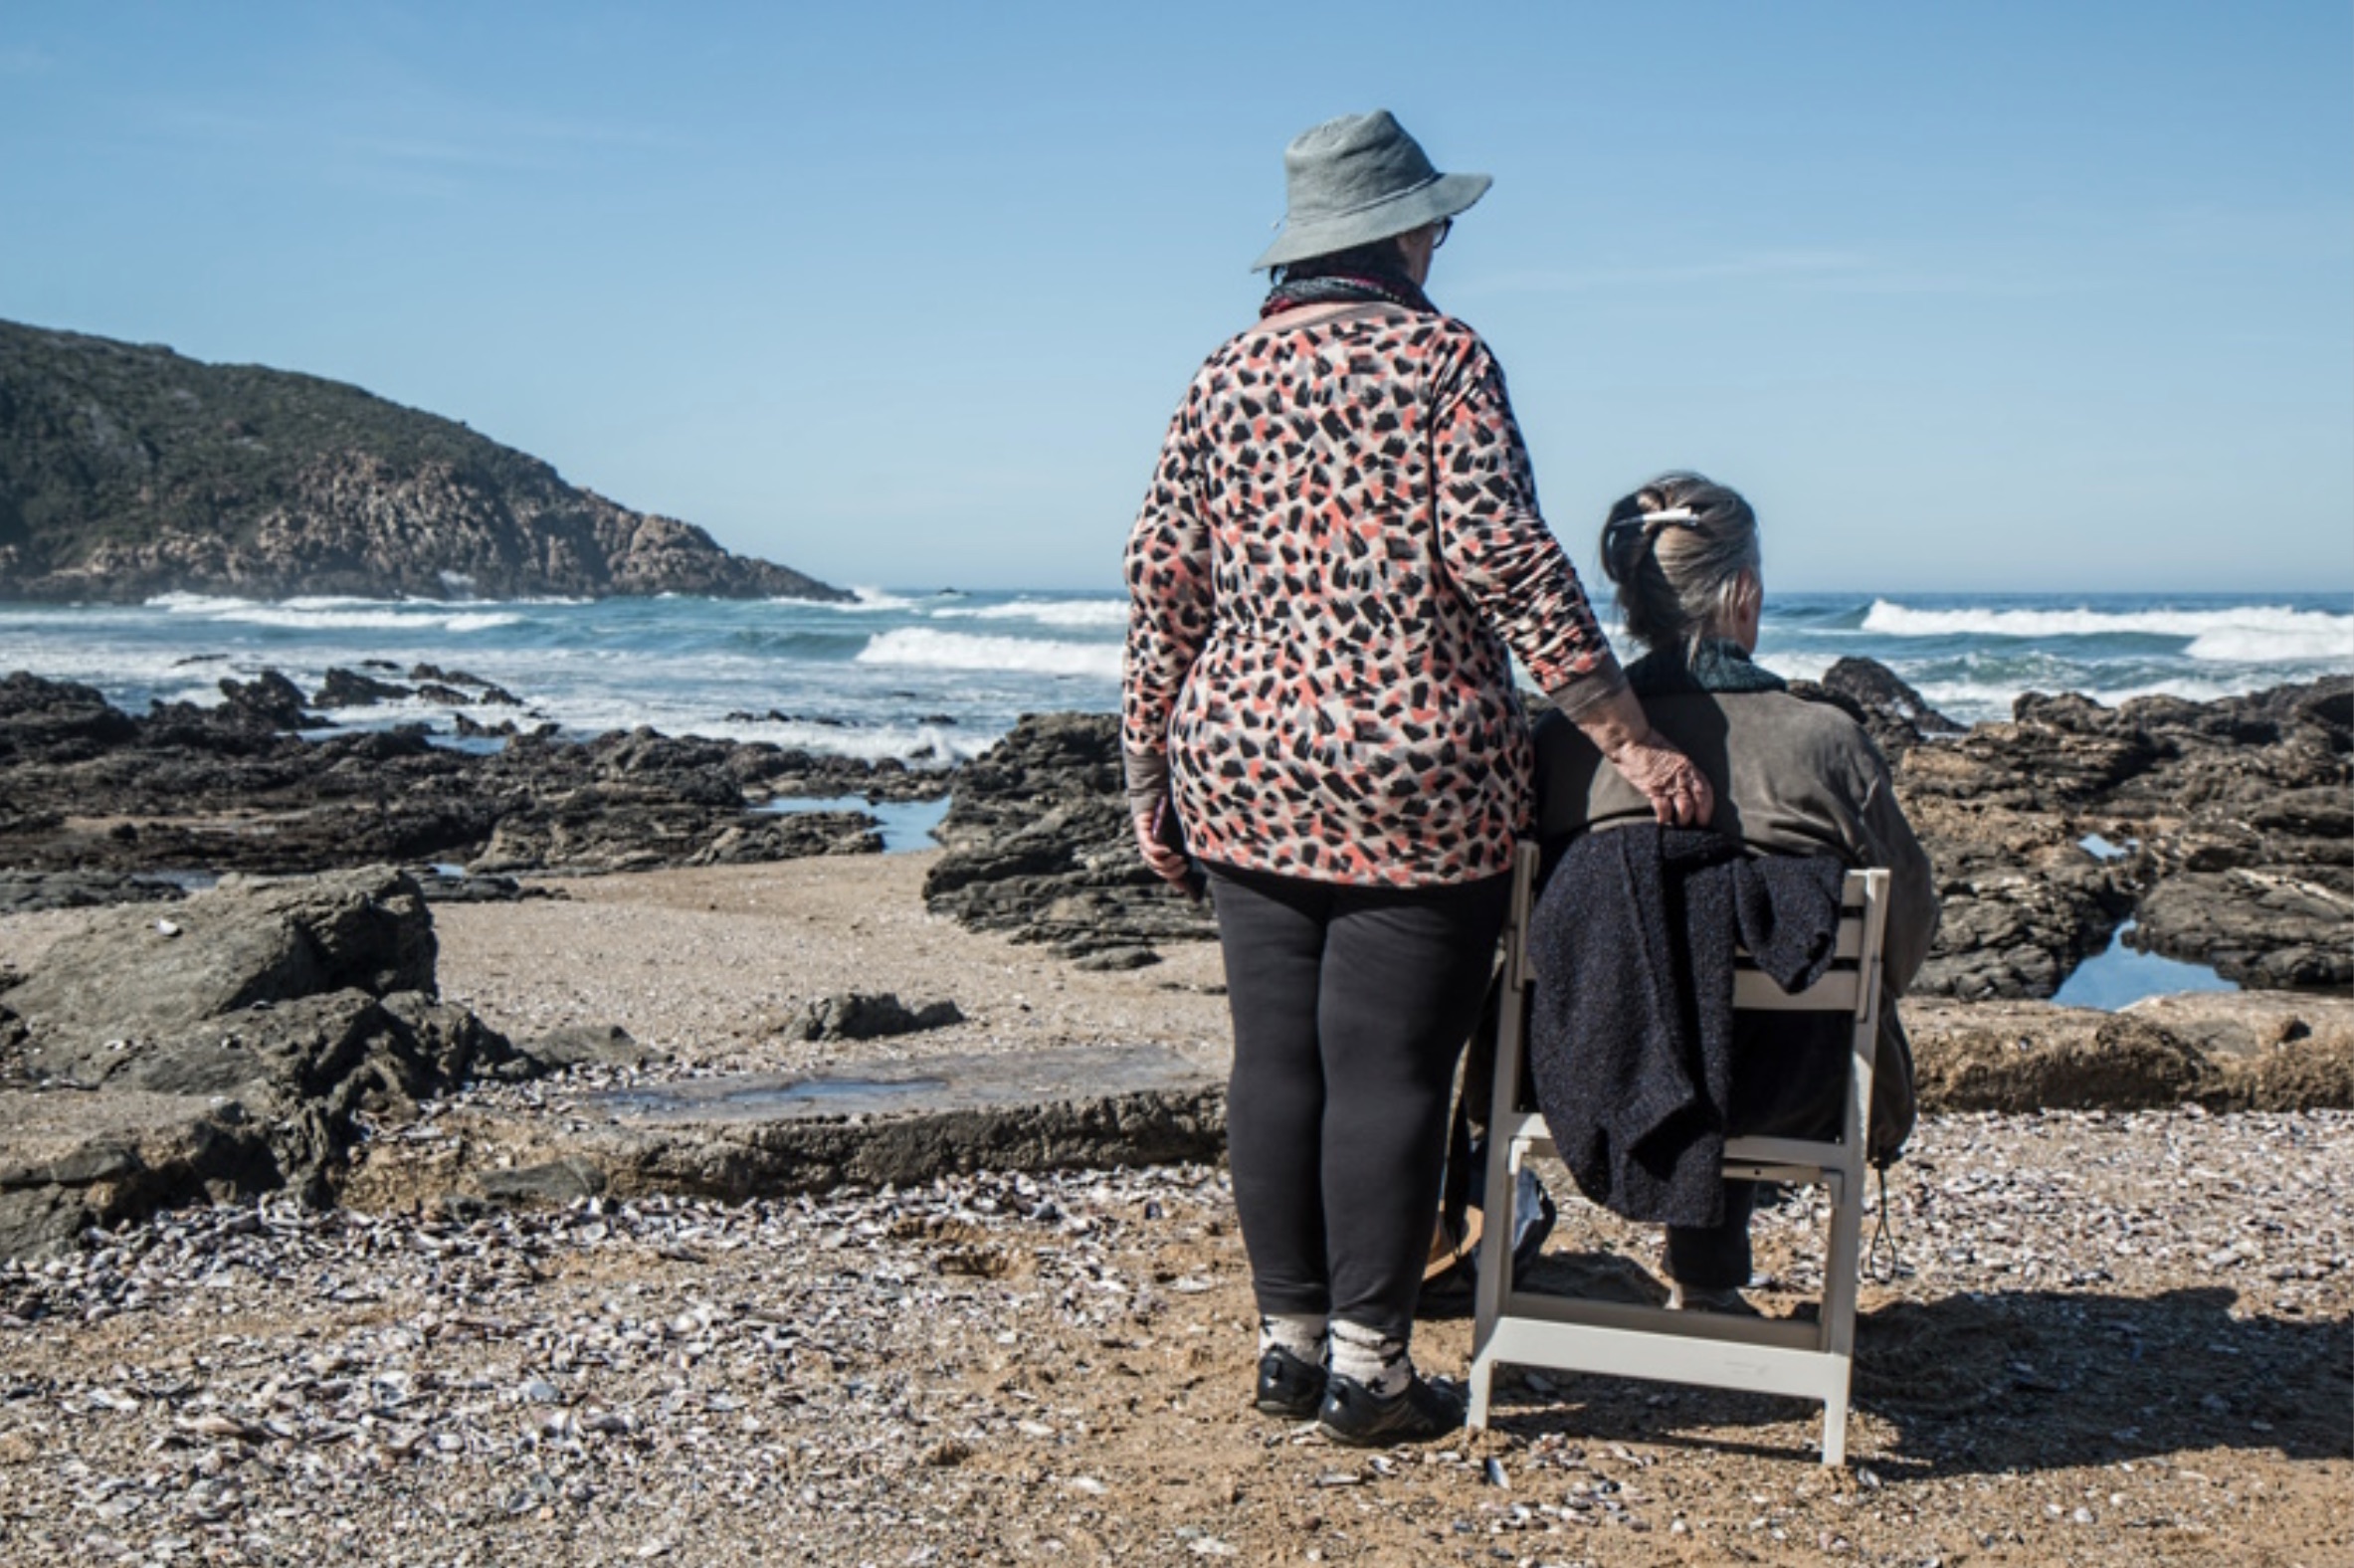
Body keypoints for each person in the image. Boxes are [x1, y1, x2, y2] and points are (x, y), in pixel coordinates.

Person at [1121, 109, 1715, 1445]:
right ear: (1396, 232)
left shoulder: (1220, 375)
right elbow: (1506, 557)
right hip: (1415, 769)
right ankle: (1368, 1372)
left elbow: (1162, 583)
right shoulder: (1441, 358)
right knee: (1388, 1069)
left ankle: (1285, 1350)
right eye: (1433, 221)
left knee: (1274, 1061)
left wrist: (1145, 772)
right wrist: (1623, 731)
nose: (1441, 239)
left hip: (1244, 756)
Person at [1529, 472, 1938, 1312]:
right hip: (1792, 1089)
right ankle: (1710, 1280)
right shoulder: (1825, 742)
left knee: (1665, 963)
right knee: (1754, 992)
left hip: (1580, 1076)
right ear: (1742, 592)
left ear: (1635, 602)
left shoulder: (1563, 746)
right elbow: (1907, 930)